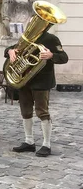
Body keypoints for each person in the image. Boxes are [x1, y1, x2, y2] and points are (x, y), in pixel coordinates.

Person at [6, 26, 68, 157]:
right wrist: (10, 51)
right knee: (25, 111)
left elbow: (64, 57)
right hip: (24, 80)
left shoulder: (51, 39)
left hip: (42, 81)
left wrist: (51, 55)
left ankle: (46, 144)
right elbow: (11, 48)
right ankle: (29, 141)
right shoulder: (26, 37)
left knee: (42, 112)